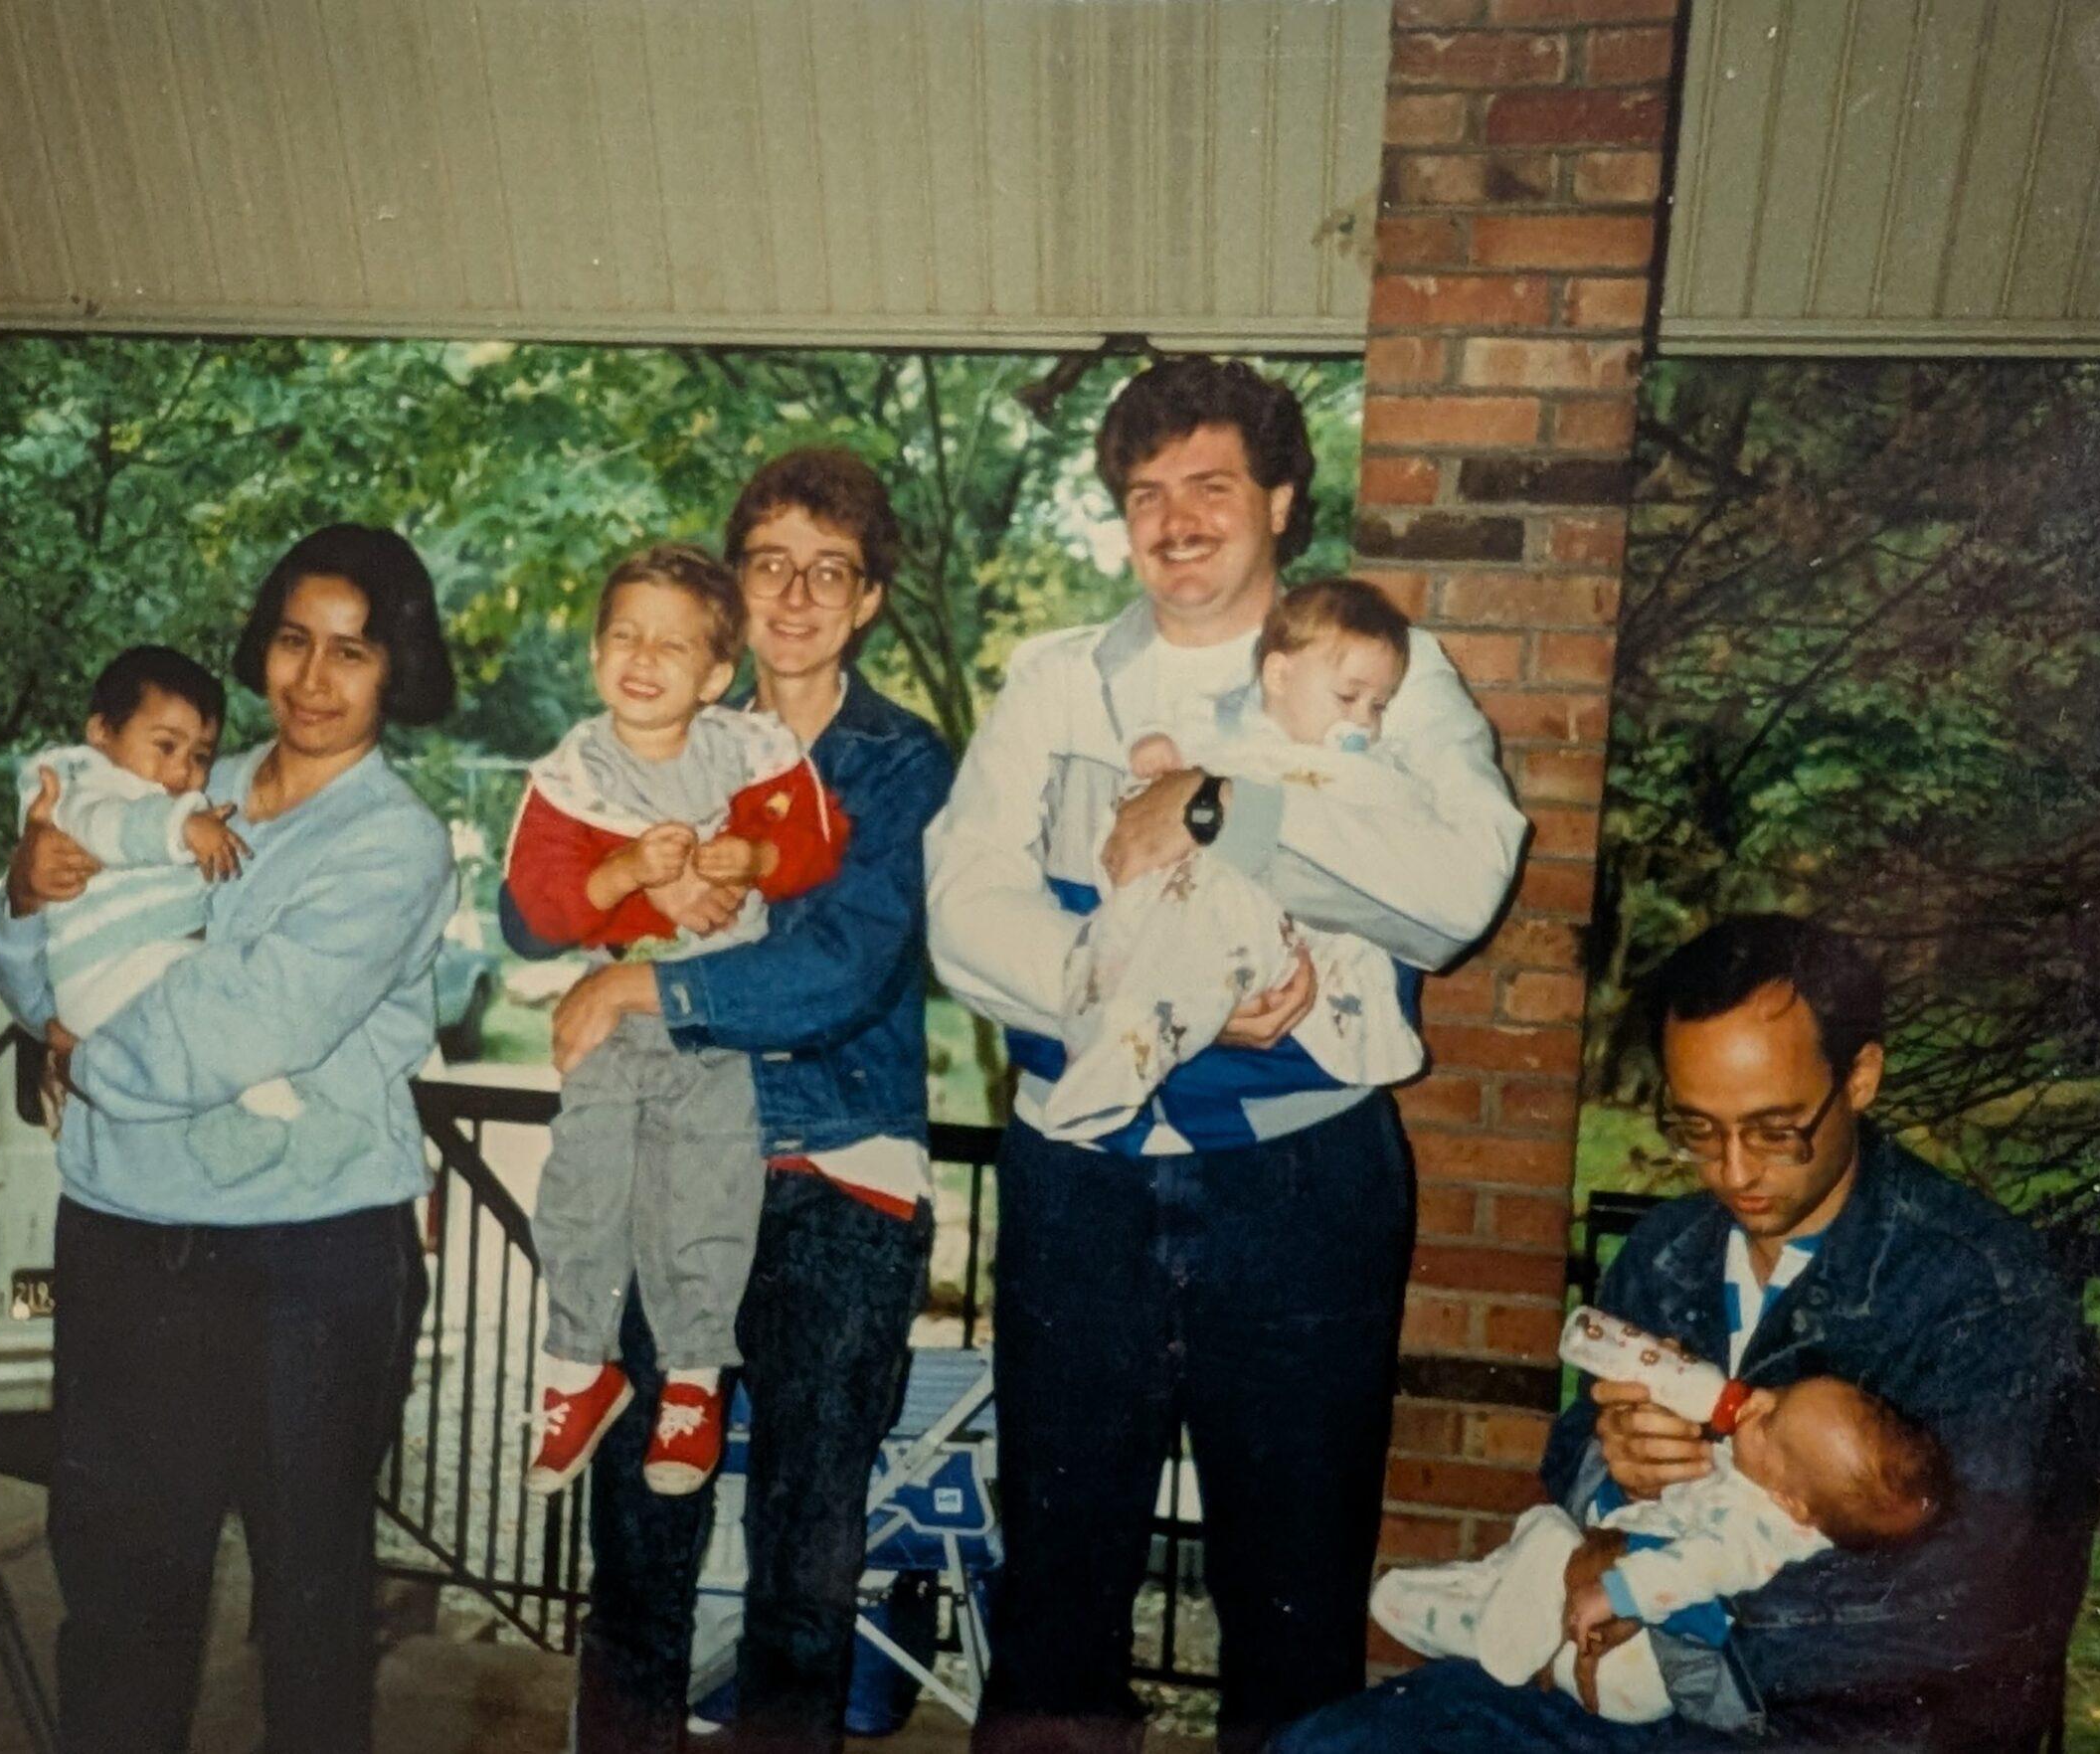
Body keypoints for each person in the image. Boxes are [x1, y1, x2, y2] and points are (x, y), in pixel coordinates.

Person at [925, 355, 1528, 1753]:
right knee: (1057, 1586)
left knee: (1297, 1590)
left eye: (1210, 485)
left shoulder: (1389, 664)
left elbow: (1459, 885)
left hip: (1302, 1183)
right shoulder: (1054, 682)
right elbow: (962, 910)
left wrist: (1223, 817)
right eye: (1146, 494)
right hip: (1081, 1178)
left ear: (1280, 499)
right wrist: (1128, 985)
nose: (1176, 520)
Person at [1277, 914, 2100, 1754]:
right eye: (1699, 1130)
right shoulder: (1666, 1254)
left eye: (1775, 1128)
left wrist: (1676, 1607)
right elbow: (1570, 1454)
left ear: (1860, 1077)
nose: (1736, 1171)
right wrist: (1614, 1463)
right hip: (1612, 1680)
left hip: (1833, 1724)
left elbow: (1981, 1596)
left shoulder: (1983, 1292)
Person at [0, 524, 457, 1754]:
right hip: (128, 1243)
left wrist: (88, 1059)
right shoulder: (167, 784)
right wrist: (27, 903)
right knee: (122, 1604)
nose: (314, 676)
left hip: (305, 1265)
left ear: (395, 668)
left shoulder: (390, 841)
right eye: (294, 640)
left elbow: (244, 1023)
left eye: (352, 651)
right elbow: (39, 980)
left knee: (304, 1617)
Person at [507, 449, 955, 1754]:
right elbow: (527, 896)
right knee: (640, 1545)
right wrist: (614, 905)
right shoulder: (660, 734)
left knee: (805, 1567)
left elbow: (847, 962)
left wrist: (642, 984)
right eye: (770, 564)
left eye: (831, 571)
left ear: (868, 598)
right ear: (734, 586)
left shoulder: (897, 762)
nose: (798, 596)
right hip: (671, 1157)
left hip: (837, 1176)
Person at [501, 543, 848, 1496]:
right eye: (624, 637)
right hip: (613, 1013)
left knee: (708, 1191)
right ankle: (579, 1365)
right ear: (594, 654)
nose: (644, 659)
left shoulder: (750, 753)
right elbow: (535, 907)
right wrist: (624, 878)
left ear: (717, 673)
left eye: (672, 644)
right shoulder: (572, 776)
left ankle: (694, 1379)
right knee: (583, 1181)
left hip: (719, 1019)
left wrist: (751, 861)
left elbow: (817, 845)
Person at [1375, 1305, 1949, 1725]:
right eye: (1782, 1393)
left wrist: (1617, 1594)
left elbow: (1692, 1569)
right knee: (1533, 1557)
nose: (1760, 1401)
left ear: (1793, 1504)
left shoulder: (1757, 1533)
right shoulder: (1770, 1486)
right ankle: (1497, 1614)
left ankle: (1498, 1636)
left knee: (1546, 1530)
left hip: (1633, 1672)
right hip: (1619, 1664)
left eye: (1771, 1424)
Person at [1041, 577, 1430, 1141]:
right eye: (1348, 698)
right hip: (1196, 896)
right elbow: (1165, 790)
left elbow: (1381, 835)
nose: (1363, 723)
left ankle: (1120, 1066)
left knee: (1210, 933)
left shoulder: (1365, 770)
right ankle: (1106, 1044)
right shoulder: (1234, 737)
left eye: (1378, 705)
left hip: (1275, 916)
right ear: (1279, 675)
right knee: (1123, 935)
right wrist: (1155, 752)